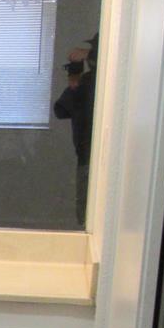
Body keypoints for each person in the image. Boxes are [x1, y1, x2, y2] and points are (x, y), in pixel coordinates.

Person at [54, 32, 98, 226]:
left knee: (88, 216)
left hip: (93, 159)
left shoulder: (96, 83)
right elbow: (61, 110)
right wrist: (74, 81)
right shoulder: (87, 82)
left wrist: (87, 56)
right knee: (86, 214)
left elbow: (61, 110)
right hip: (86, 157)